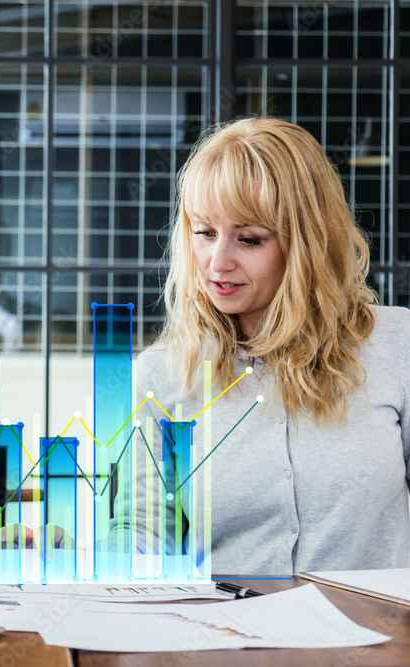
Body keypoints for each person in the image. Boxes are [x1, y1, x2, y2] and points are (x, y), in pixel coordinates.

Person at [110, 117, 410, 574]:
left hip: (376, 639)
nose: (218, 261)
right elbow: (145, 530)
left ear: (306, 243)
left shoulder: (396, 343)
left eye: (249, 239)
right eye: (205, 233)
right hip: (227, 637)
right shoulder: (162, 374)